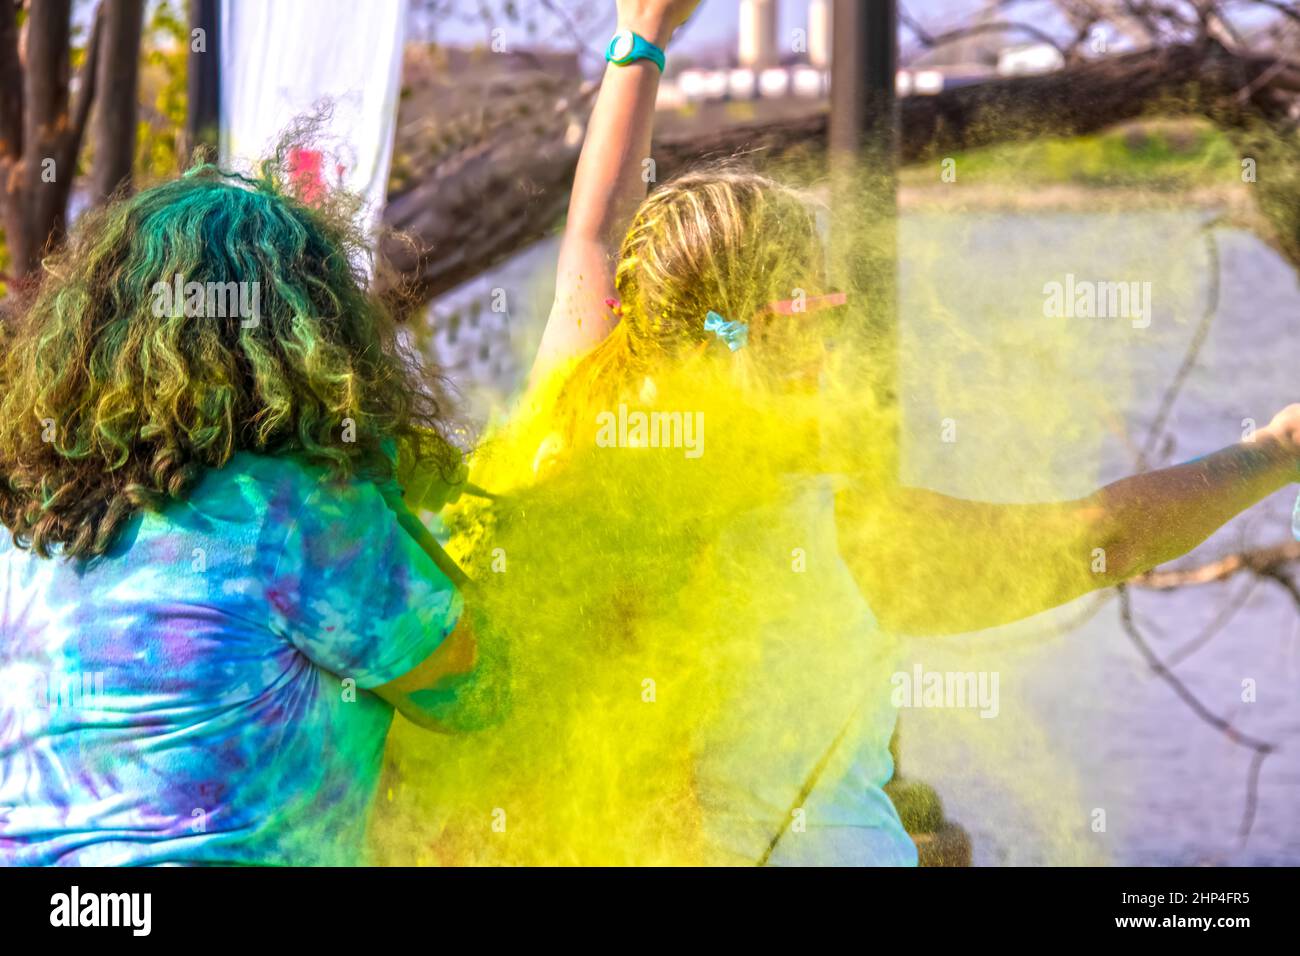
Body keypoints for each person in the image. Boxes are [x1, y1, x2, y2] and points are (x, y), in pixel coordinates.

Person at [516, 0, 1300, 865]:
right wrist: (1273, 453)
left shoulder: (566, 445)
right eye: (818, 306)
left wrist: (640, 40)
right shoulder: (832, 537)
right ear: (779, 332)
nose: (831, 334)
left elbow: (589, 245)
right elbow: (1101, 538)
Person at [0, 163, 482, 865]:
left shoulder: (27, 532)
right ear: (310, 338)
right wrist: (378, 481)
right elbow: (477, 692)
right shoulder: (296, 512)